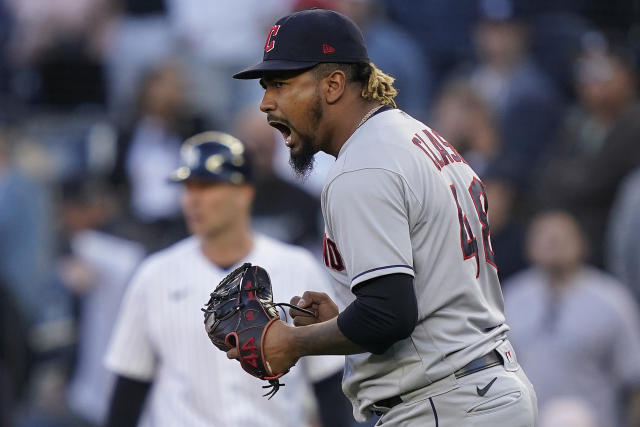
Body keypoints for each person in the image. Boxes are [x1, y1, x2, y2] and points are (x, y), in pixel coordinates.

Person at [232, 8, 537, 426]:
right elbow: (411, 302)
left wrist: (292, 342)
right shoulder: (416, 136)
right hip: (478, 388)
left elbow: (388, 315)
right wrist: (343, 320)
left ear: (334, 84)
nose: (266, 103)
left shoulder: (363, 166)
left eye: (281, 84)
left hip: (445, 403)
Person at [104, 131, 350, 427]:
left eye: (207, 186)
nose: (193, 200)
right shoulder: (153, 275)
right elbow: (127, 393)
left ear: (244, 193)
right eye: (188, 188)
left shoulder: (297, 266)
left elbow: (330, 384)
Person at [503, 211, 640, 427]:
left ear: (582, 244)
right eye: (543, 235)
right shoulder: (510, 298)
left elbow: (634, 381)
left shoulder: (612, 300)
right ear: (529, 247)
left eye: (561, 236)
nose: (552, 241)